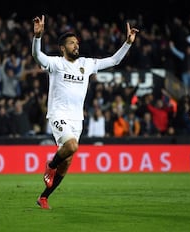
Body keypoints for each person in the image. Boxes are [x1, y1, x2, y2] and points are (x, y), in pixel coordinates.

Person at [32, 15, 139, 209]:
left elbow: (114, 61)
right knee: (71, 146)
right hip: (58, 114)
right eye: (72, 43)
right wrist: (37, 37)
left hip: (77, 119)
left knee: (68, 160)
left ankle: (44, 197)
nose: (76, 45)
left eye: (77, 42)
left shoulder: (86, 64)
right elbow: (37, 56)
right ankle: (50, 165)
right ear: (63, 48)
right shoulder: (55, 63)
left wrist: (127, 43)